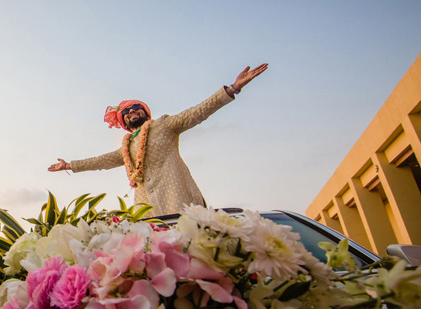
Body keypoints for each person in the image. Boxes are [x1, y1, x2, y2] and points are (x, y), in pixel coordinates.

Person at [47, 65, 268, 217]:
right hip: (146, 207)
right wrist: (69, 165)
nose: (132, 112)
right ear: (124, 121)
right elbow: (101, 161)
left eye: (136, 108)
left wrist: (233, 88)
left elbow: (198, 112)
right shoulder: (126, 147)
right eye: (127, 112)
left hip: (177, 198)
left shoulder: (164, 124)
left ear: (146, 112)